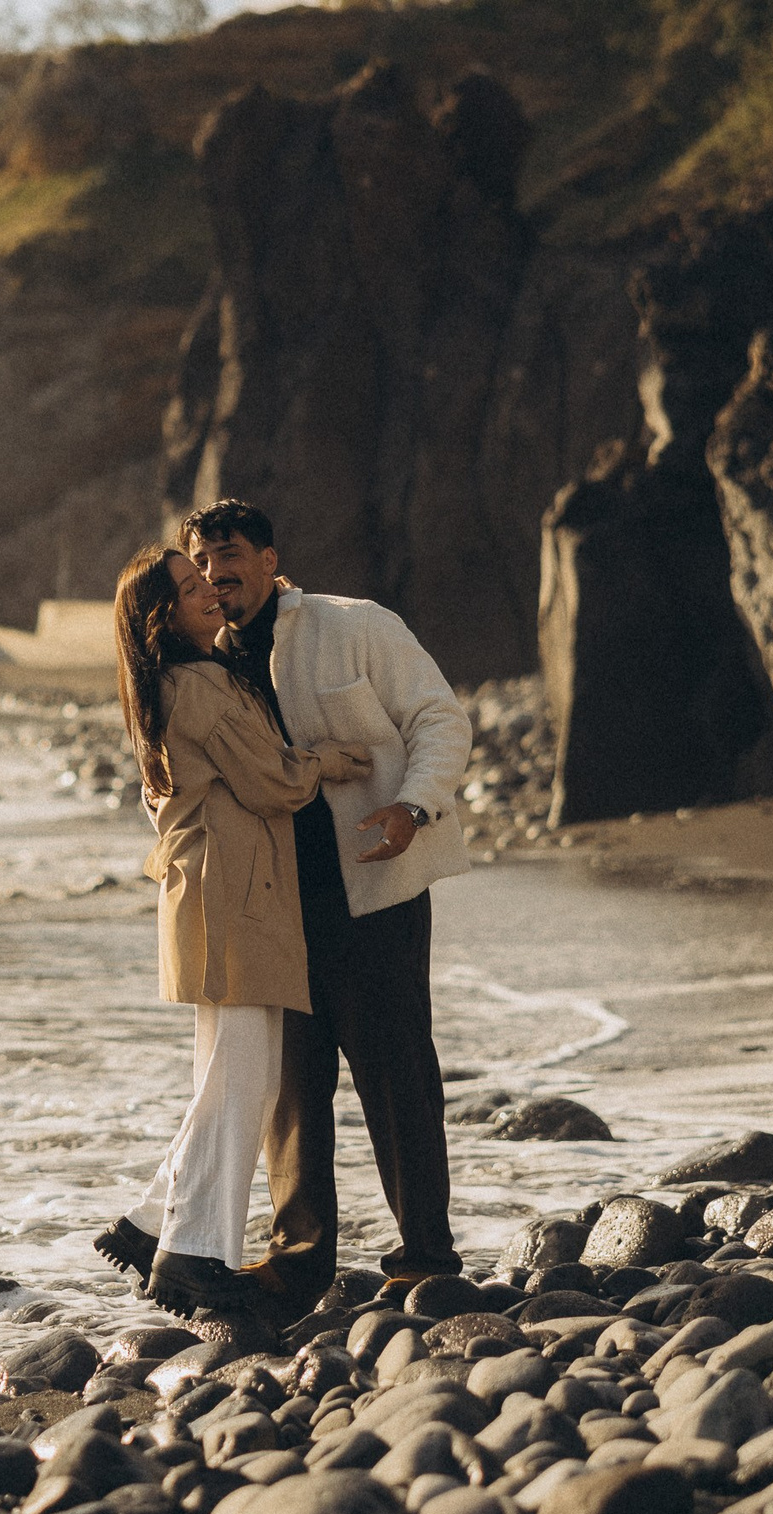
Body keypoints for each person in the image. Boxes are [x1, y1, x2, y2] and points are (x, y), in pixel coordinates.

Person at [181, 497, 475, 1323]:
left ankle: (425, 1257)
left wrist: (412, 807)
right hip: (272, 911)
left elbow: (440, 720)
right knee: (292, 1093)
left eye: (229, 554)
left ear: (272, 559)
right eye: (201, 563)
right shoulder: (205, 664)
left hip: (373, 892)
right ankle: (300, 1262)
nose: (215, 574)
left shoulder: (357, 625)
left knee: (396, 1078)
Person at [92, 544, 369, 1319]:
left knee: (230, 1073)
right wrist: (331, 761)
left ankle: (154, 1224)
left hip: (212, 898)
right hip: (232, 899)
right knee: (246, 1077)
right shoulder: (202, 686)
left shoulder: (169, 686)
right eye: (189, 588)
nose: (208, 591)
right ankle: (191, 1251)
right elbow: (272, 779)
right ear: (163, 617)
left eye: (204, 580)